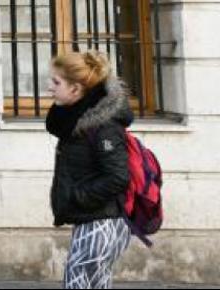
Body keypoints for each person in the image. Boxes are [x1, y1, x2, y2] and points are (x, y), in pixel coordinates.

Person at [46, 50, 133, 289]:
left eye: (56, 82)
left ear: (75, 89)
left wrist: (78, 196)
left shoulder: (103, 127)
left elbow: (118, 176)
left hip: (101, 222)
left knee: (77, 281)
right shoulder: (79, 123)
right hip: (92, 221)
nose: (49, 88)